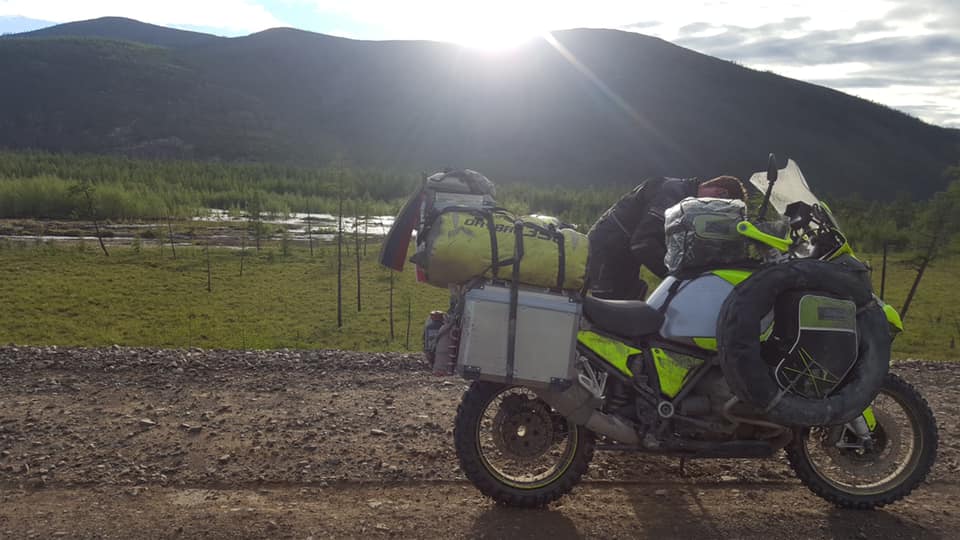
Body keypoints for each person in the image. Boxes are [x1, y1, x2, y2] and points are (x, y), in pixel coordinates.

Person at [586, 175, 747, 299]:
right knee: (612, 320)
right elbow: (643, 243)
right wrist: (679, 278)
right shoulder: (672, 193)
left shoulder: (687, 202)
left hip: (622, 254)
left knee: (634, 304)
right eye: (720, 209)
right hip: (606, 254)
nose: (716, 215)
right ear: (720, 193)